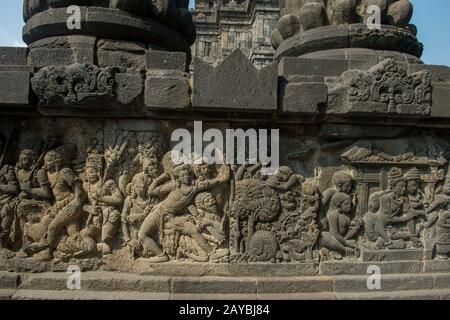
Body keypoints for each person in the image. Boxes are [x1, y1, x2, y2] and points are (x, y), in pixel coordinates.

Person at [138, 163, 230, 262]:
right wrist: (161, 178)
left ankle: (212, 252)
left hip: (172, 217)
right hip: (158, 212)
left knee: (192, 229)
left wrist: (224, 178)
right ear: (178, 177)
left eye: (187, 174)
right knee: (142, 235)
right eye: (183, 175)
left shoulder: (194, 187)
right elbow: (151, 191)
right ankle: (161, 255)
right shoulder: (174, 186)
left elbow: (209, 183)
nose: (186, 177)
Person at [320, 192, 362, 259]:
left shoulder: (347, 215)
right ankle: (347, 251)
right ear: (339, 206)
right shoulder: (333, 216)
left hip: (343, 239)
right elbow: (335, 234)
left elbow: (348, 232)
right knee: (324, 237)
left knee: (353, 241)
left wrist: (356, 227)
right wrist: (346, 243)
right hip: (334, 239)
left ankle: (338, 251)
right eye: (346, 204)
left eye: (350, 204)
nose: (349, 206)